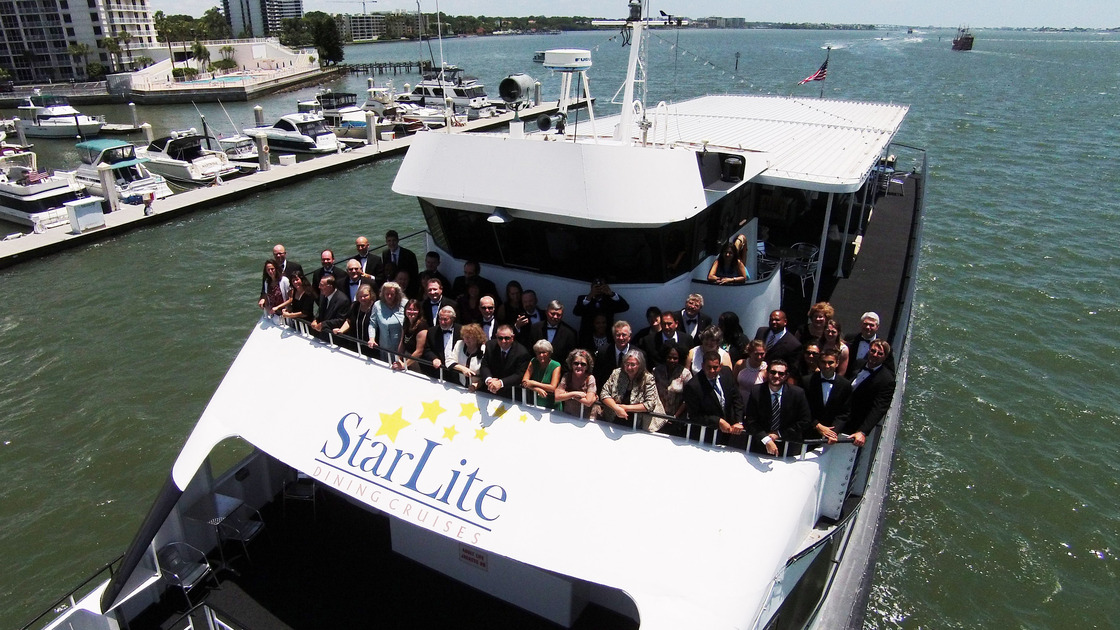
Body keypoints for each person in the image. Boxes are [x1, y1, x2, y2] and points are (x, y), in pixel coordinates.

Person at [742, 360, 811, 456]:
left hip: (788, 446)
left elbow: (805, 421)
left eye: (781, 373)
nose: (776, 376)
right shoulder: (756, 391)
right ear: (767, 373)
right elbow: (750, 420)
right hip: (761, 446)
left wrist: (779, 434)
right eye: (773, 372)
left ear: (786, 376)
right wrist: (766, 439)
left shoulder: (797, 393)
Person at [684, 350, 745, 440]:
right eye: (709, 367)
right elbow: (695, 415)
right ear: (702, 366)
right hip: (706, 434)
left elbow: (737, 398)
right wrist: (717, 421)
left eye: (715, 367)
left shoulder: (727, 373)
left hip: (730, 430)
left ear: (720, 366)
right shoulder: (693, 386)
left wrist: (739, 422)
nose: (712, 371)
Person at [845, 339, 895, 447]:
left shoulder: (887, 380)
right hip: (841, 413)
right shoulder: (859, 363)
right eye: (873, 351)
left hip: (855, 421)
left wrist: (863, 432)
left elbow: (879, 408)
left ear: (885, 357)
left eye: (880, 353)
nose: (875, 355)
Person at [600, 349, 665, 431]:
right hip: (613, 420)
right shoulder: (616, 373)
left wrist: (626, 408)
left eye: (633, 365)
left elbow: (650, 404)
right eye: (627, 364)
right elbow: (604, 393)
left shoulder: (648, 378)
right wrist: (617, 408)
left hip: (637, 425)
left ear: (640, 365)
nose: (629, 367)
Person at [804, 348, 852, 444]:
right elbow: (802, 408)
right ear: (819, 363)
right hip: (807, 433)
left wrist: (833, 432)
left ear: (837, 363)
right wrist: (817, 425)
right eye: (823, 362)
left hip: (831, 436)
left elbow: (844, 413)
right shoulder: (807, 381)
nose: (826, 366)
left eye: (830, 363)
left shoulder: (845, 385)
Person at [479, 324, 532, 399]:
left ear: (512, 337)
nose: (503, 341)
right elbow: (485, 365)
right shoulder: (490, 345)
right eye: (500, 338)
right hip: (489, 390)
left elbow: (519, 375)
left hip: (510, 394)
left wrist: (500, 383)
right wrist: (489, 380)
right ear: (496, 336)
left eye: (507, 338)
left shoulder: (522, 353)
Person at [572, 278, 630, 347]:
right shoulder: (583, 299)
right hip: (587, 337)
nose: (599, 288)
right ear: (591, 287)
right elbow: (576, 312)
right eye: (596, 286)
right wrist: (590, 296)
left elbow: (625, 307)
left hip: (607, 337)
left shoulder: (609, 300)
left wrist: (611, 294)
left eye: (601, 286)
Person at [524, 300, 578, 368]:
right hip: (536, 369)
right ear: (546, 312)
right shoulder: (535, 328)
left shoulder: (570, 333)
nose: (555, 317)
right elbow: (530, 351)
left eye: (558, 315)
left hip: (560, 371)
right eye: (552, 314)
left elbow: (570, 357)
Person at [652, 343, 692, 423]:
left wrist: (675, 417)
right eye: (669, 357)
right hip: (656, 417)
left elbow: (687, 399)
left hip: (677, 419)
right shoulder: (656, 371)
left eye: (675, 358)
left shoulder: (686, 374)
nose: (672, 360)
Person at [369, 281, 406, 362]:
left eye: (392, 294)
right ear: (383, 294)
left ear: (397, 294)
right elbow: (372, 324)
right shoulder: (377, 305)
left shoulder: (404, 304)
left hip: (401, 347)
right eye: (387, 294)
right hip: (384, 346)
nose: (389, 296)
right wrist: (372, 338)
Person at [422, 305, 461, 380]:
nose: (442, 322)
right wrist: (434, 358)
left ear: (453, 319)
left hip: (457, 372)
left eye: (445, 319)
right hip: (438, 371)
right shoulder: (432, 331)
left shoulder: (461, 331)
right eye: (440, 319)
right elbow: (427, 349)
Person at [555, 349, 598, 418]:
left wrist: (567, 394)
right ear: (571, 364)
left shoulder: (590, 379)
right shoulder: (567, 376)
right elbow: (557, 397)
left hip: (586, 418)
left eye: (583, 364)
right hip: (568, 415)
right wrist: (575, 394)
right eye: (576, 363)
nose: (579, 366)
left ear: (587, 367)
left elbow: (588, 402)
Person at [333, 283, 375, 353]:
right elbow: (349, 321)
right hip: (354, 345)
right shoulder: (355, 306)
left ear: (371, 295)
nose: (362, 298)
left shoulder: (375, 307)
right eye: (360, 296)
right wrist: (341, 330)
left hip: (370, 346)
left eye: (365, 296)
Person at [593, 320, 633, 391]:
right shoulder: (603, 352)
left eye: (624, 335)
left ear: (629, 336)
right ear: (613, 336)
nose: (621, 338)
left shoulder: (637, 354)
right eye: (618, 335)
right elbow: (597, 375)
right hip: (607, 393)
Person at [522, 340, 562, 410]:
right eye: (538, 353)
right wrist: (536, 389)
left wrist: (533, 383)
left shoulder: (556, 365)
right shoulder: (533, 361)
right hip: (536, 403)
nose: (541, 355)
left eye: (543, 352)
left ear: (549, 353)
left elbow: (552, 388)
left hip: (552, 406)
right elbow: (524, 382)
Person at [310, 275, 351, 341]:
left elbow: (341, 320)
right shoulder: (323, 295)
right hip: (321, 335)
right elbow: (320, 310)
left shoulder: (343, 300)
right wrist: (315, 320)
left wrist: (323, 324)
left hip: (334, 337)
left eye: (322, 285)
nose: (319, 287)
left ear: (330, 287)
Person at [448, 323, 487, 390]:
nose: (466, 339)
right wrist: (463, 369)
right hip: (460, 385)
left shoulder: (484, 349)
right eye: (465, 336)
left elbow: (486, 372)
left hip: (479, 389)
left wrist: (476, 385)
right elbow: (449, 361)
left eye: (469, 337)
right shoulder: (459, 344)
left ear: (477, 337)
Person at [395, 299, 428, 372]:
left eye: (414, 310)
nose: (411, 312)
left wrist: (404, 365)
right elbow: (402, 342)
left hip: (417, 361)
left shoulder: (422, 326)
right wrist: (398, 359)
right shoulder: (406, 322)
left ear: (419, 311)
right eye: (409, 309)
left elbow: (419, 351)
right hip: (406, 357)